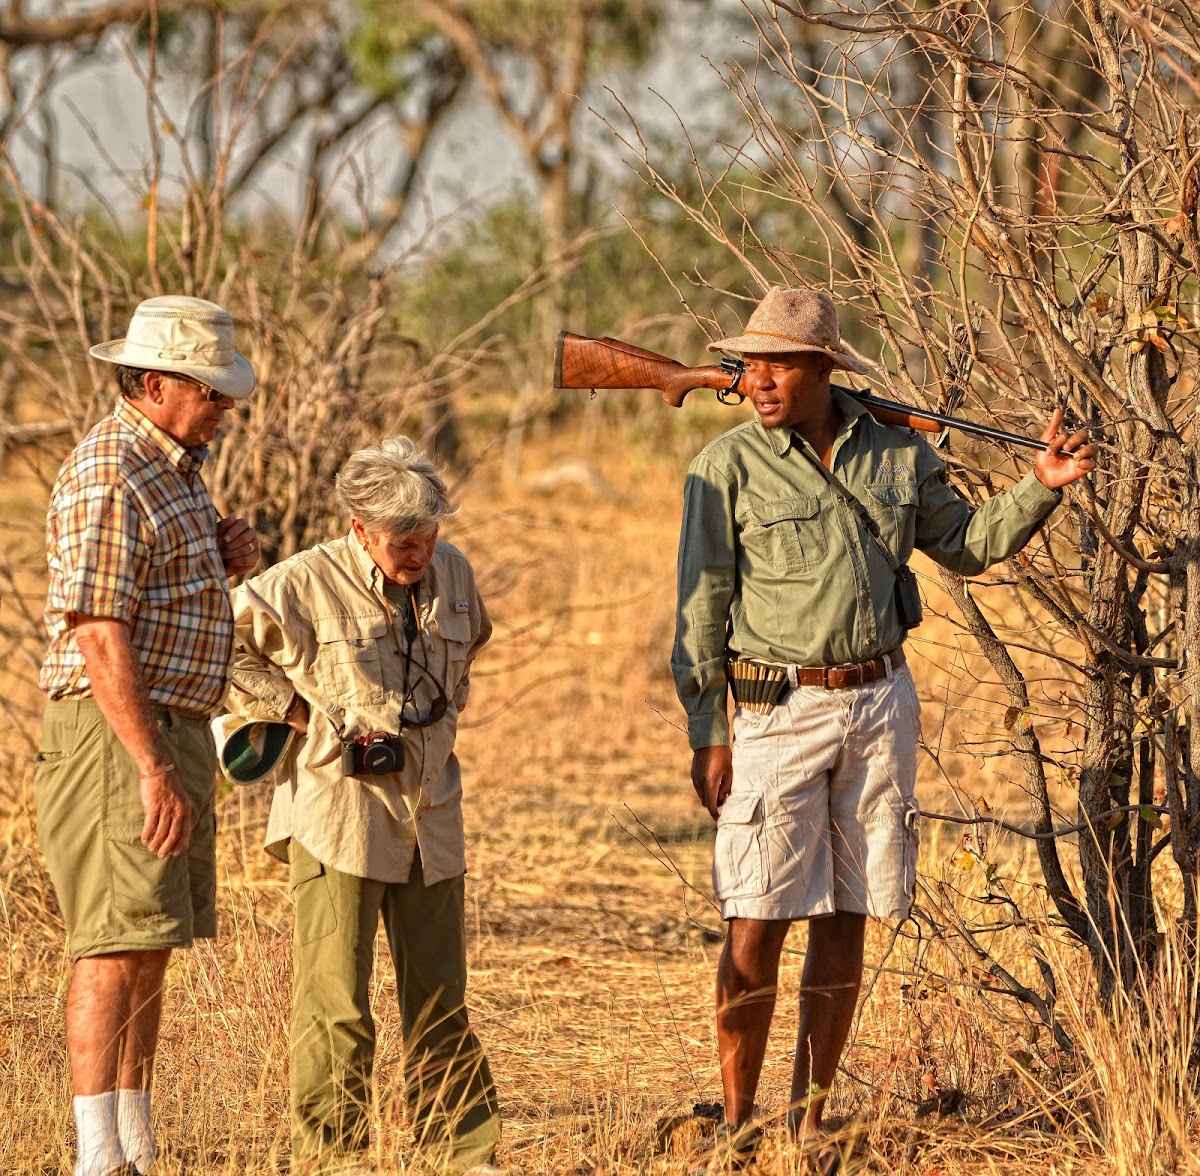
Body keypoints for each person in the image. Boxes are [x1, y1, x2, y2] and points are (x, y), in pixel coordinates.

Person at [672, 287, 1096, 1174]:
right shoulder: (725, 466)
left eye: (779, 363)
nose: (758, 379)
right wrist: (709, 731)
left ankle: (810, 1121)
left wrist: (1041, 488)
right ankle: (738, 1125)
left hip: (878, 706)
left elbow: (967, 545)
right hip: (773, 712)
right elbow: (701, 611)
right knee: (755, 917)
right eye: (750, 363)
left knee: (849, 911)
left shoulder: (899, 453)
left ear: (825, 368)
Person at [226, 436, 502, 1176]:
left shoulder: (454, 571)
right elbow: (222, 643)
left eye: (428, 536)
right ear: (359, 529)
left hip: (432, 813)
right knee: (336, 1004)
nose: (419, 553)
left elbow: (471, 642)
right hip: (338, 814)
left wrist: (437, 711)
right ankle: (332, 1159)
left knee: (441, 996)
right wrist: (294, 712)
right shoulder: (303, 581)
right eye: (401, 542)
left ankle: (461, 1153)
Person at [35, 295, 260, 1176]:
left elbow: (154, 589)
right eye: (210, 390)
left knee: (152, 936)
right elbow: (98, 631)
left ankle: (133, 1142)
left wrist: (221, 552)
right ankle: (97, 1156)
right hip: (119, 735)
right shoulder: (112, 470)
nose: (224, 405)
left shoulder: (175, 468)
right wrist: (151, 764)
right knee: (111, 941)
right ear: (156, 384)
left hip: (172, 726)